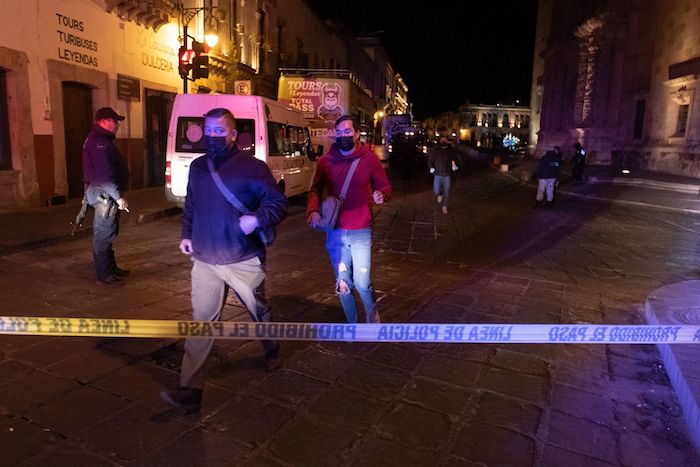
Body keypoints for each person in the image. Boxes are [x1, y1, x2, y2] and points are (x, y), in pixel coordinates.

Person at [160, 108, 288, 412]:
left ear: (232, 135)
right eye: (209, 130)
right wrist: (186, 234)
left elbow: (278, 204)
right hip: (205, 260)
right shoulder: (198, 167)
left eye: (220, 131)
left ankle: (272, 348)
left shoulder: (253, 168)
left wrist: (256, 220)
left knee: (259, 312)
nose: (213, 136)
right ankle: (190, 391)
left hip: (242, 258)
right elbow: (191, 204)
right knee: (201, 324)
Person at [307, 115, 392, 324]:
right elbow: (314, 190)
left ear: (356, 134)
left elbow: (385, 186)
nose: (343, 135)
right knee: (343, 282)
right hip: (335, 230)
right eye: (339, 132)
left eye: (347, 131)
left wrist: (382, 194)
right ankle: (352, 325)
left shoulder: (369, 159)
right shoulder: (326, 161)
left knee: (362, 282)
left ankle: (373, 317)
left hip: (361, 230)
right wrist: (313, 210)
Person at [81, 107, 129, 286]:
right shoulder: (99, 142)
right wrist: (118, 197)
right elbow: (104, 174)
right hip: (104, 197)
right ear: (105, 121)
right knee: (103, 235)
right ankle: (104, 274)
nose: (117, 125)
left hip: (105, 195)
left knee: (109, 233)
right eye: (115, 121)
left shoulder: (100, 140)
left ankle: (110, 268)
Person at [428, 136, 459, 214]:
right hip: (437, 174)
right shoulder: (436, 150)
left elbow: (455, 159)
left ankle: (445, 206)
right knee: (436, 190)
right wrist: (431, 167)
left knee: (447, 192)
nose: (443, 141)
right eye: (442, 140)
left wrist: (455, 165)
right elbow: (431, 160)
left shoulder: (451, 150)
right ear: (440, 141)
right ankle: (440, 193)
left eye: (445, 140)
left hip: (447, 174)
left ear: (447, 141)